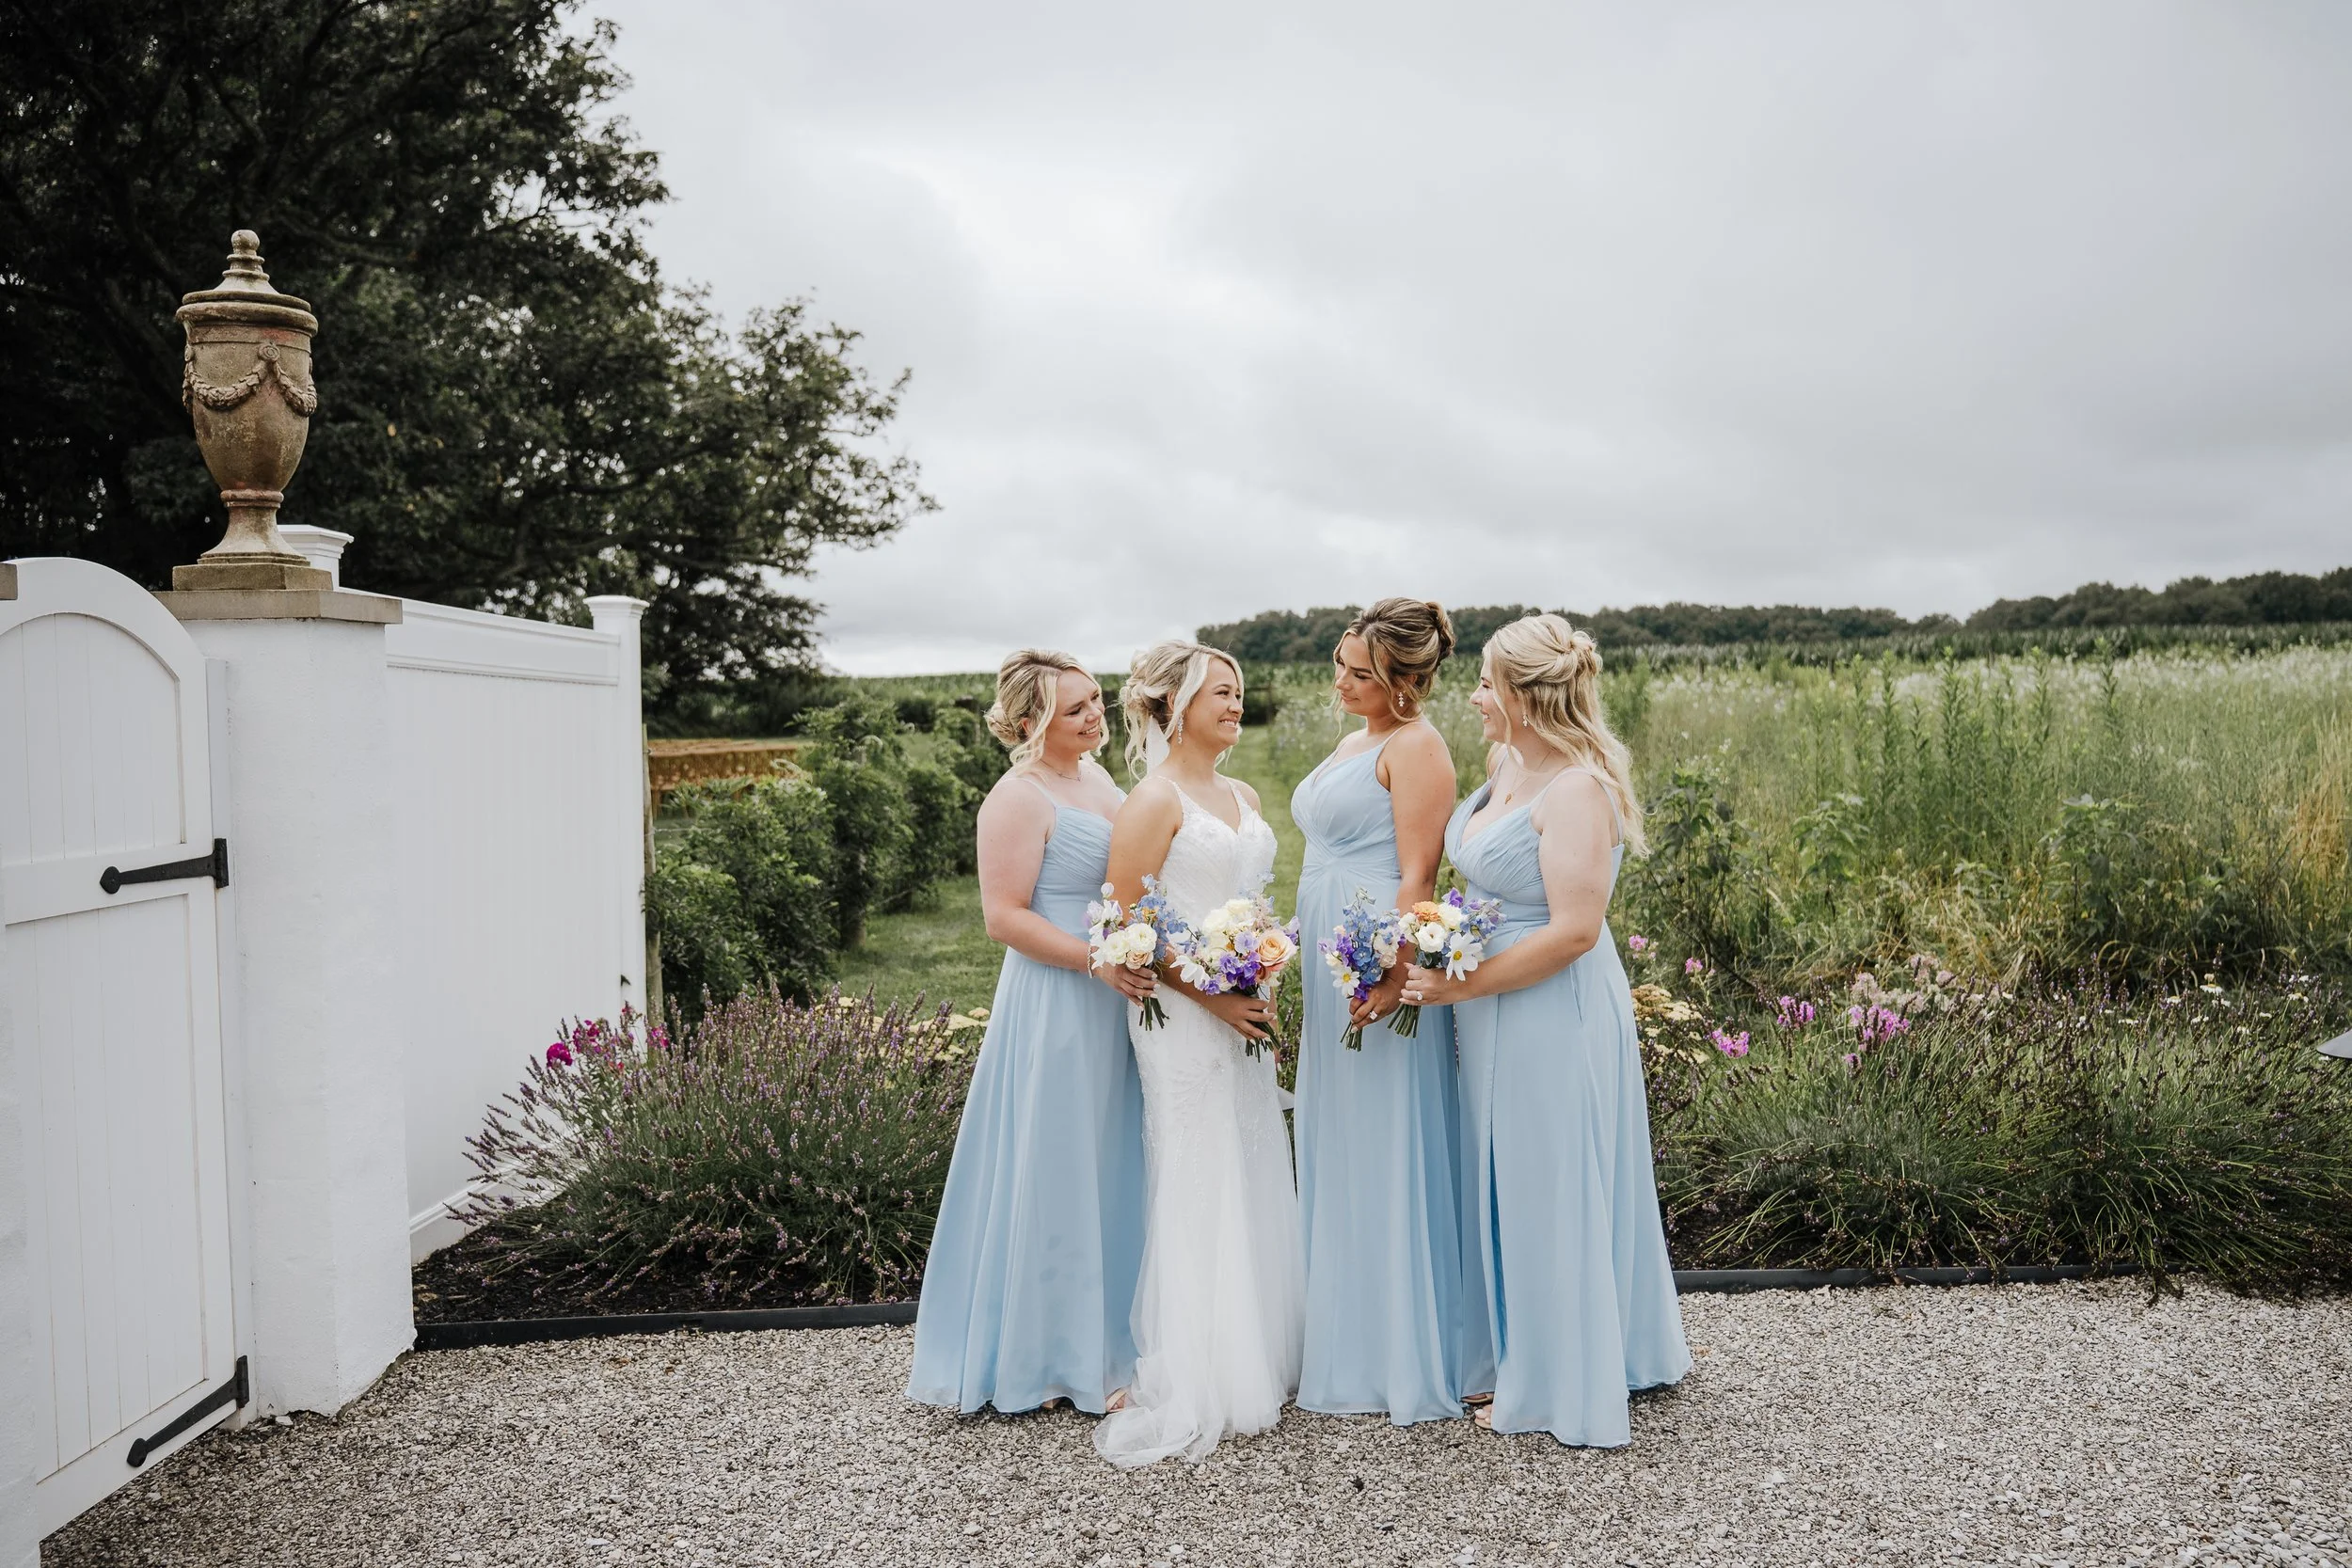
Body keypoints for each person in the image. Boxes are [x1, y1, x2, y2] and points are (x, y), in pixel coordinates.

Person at [1402, 613, 1690, 1446]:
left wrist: (1464, 984)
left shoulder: (1575, 790)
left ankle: (1561, 1370)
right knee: (1508, 1171)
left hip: (1549, 1003)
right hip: (1495, 1000)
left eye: (1488, 682)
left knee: (1548, 1173)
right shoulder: (1504, 766)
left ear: (1527, 695)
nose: (1476, 696)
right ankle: (1516, 1346)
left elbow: (1572, 931)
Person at [907, 650, 1152, 1416]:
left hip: (1111, 995)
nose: (1093, 716)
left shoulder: (1100, 782)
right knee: (1053, 1167)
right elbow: (1002, 915)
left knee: (1107, 1163)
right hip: (1057, 998)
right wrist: (1094, 959)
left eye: (1096, 701)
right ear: (1026, 723)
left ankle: (1106, 1339)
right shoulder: (1016, 796)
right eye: (1075, 707)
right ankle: (1045, 1360)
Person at [1091, 640, 1305, 1466]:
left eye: (1239, 691)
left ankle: (1257, 1352)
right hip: (1183, 1020)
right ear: (1175, 704)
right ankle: (1204, 1371)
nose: (1235, 703)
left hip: (1243, 1007)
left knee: (1250, 1153)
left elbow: (1247, 905)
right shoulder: (1152, 800)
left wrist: (1263, 965)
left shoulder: (1244, 793)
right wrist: (1215, 992)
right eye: (1220, 692)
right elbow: (1126, 925)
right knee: (1198, 1163)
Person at [1290, 599, 1466, 1425]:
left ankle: (1395, 1347)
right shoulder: (1352, 740)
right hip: (1330, 954)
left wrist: (1398, 974)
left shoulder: (1418, 746)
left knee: (1384, 1129)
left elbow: (1417, 879)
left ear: (1407, 681)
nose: (1343, 682)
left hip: (1373, 955)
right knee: (1341, 1129)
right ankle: (1345, 1328)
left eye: (1363, 674)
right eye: (1341, 664)